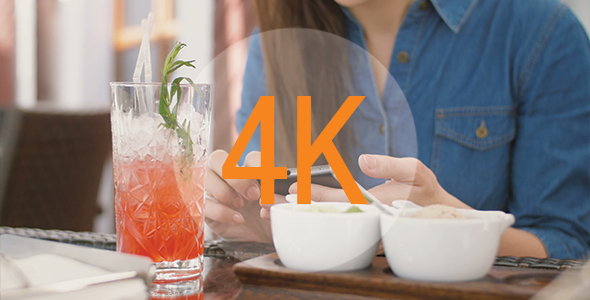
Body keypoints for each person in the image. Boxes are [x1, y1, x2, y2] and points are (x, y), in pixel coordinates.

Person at [205, 0, 590, 259]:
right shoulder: (274, 42)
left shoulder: (541, 31)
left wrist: (448, 223)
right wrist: (245, 221)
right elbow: (276, 230)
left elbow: (568, 247)